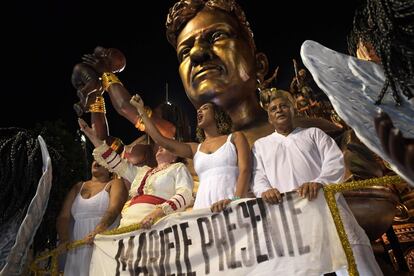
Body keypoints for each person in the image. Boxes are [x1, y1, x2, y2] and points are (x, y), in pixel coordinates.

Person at [165, 0, 341, 147]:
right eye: (185, 52)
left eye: (217, 36)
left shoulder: (319, 136)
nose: (196, 54)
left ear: (259, 64)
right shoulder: (186, 164)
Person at [251, 91, 383, 276]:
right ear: (269, 117)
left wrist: (319, 182)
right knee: (303, 266)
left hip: (327, 207)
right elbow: (258, 176)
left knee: (353, 258)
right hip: (292, 217)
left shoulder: (314, 134)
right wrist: (265, 190)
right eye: (273, 109)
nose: (279, 110)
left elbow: (334, 161)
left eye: (283, 106)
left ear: (293, 110)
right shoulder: (260, 145)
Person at [129, 94, 251, 212]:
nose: (199, 111)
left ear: (217, 114)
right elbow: (161, 140)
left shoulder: (235, 138)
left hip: (231, 202)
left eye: (205, 108)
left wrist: (236, 200)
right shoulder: (194, 149)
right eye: (198, 110)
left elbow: (245, 170)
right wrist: (141, 111)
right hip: (202, 208)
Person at [78, 118, 194, 228]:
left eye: (167, 146)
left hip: (157, 225)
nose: (160, 147)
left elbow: (185, 194)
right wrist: (92, 137)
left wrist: (158, 213)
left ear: (175, 156)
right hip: (128, 223)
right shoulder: (143, 172)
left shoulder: (178, 168)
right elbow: (115, 162)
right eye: (160, 145)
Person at [56, 160, 127, 276]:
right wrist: (64, 239)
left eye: (102, 159)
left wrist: (98, 230)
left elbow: (114, 209)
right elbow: (63, 217)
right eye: (95, 158)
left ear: (110, 167)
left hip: (102, 245)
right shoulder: (78, 187)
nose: (96, 161)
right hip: (77, 249)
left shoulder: (115, 183)